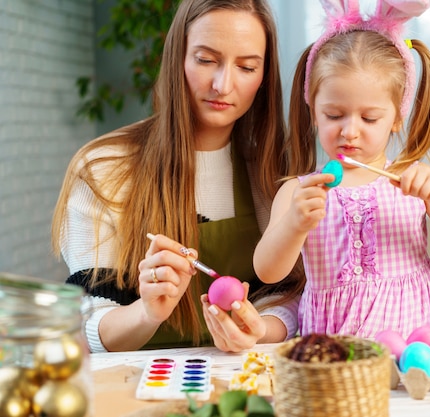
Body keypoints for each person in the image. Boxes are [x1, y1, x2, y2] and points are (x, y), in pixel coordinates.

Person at [51, 0, 304, 353]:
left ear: (263, 78)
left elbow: (291, 294)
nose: (222, 84)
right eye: (205, 60)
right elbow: (85, 321)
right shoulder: (102, 167)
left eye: (246, 67)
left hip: (244, 374)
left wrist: (260, 329)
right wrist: (146, 313)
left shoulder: (272, 169)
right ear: (177, 59)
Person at [253, 0, 430, 338]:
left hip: (414, 341)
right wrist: (295, 223)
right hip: (333, 347)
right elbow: (267, 272)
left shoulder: (412, 180)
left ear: (396, 118)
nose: (349, 131)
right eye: (334, 115)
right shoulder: (299, 191)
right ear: (313, 111)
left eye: (369, 118)